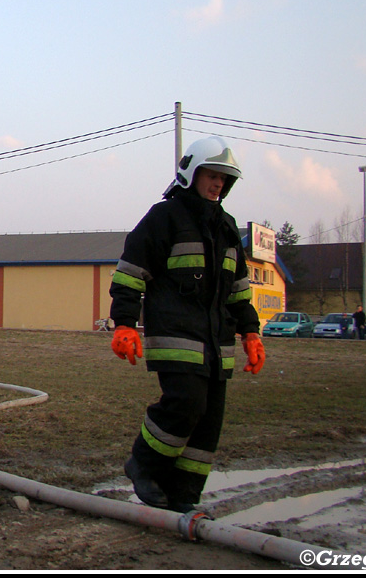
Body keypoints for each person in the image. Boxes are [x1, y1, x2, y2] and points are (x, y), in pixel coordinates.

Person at [109, 136, 265, 513]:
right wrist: (125, 323)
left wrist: (251, 331)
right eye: (211, 175)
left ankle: (183, 496)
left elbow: (239, 290)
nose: (217, 184)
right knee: (185, 404)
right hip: (176, 336)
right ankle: (143, 465)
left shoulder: (226, 227)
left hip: (217, 343)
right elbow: (131, 273)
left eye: (224, 179)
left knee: (209, 422)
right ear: (190, 173)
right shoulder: (164, 218)